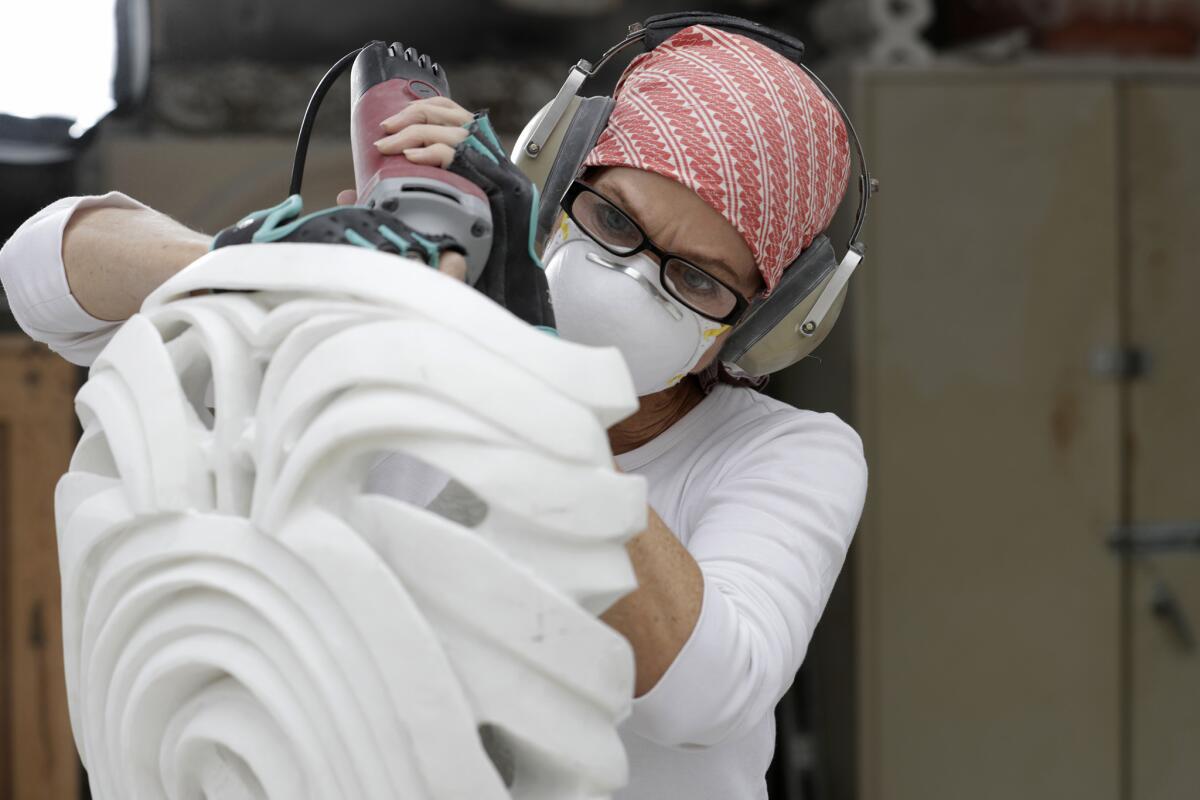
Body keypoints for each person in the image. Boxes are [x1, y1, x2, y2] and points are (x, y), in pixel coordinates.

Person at [0, 23, 866, 800]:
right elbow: (40, 271)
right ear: (553, 181)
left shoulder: (788, 456)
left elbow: (703, 690)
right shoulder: (399, 345)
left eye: (698, 277)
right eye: (611, 218)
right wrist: (288, 266)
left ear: (761, 322)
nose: (634, 277)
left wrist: (530, 362)